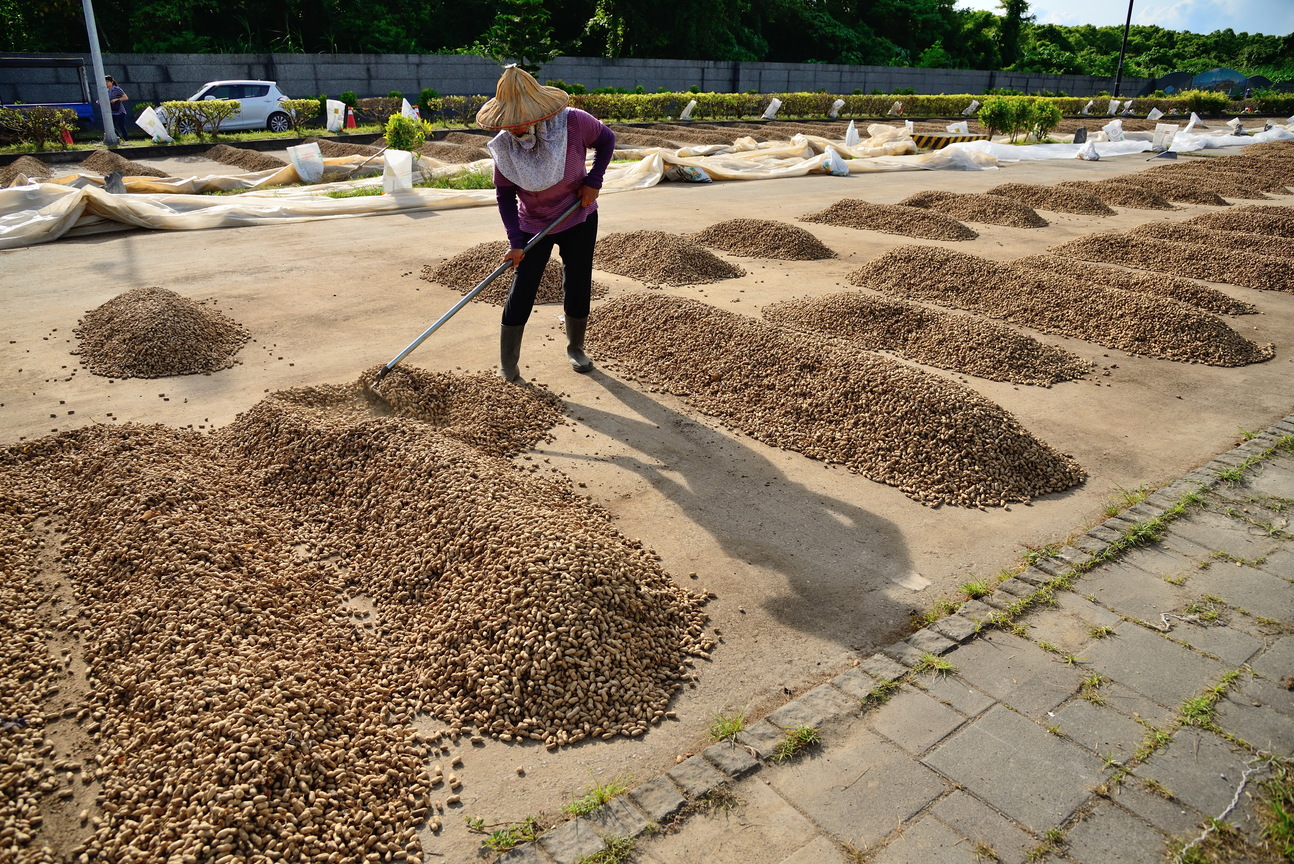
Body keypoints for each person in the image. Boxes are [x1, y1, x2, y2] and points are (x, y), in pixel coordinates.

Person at [476, 65, 616, 382]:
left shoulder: (573, 123)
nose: (516, 127)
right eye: (510, 122)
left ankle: (575, 348)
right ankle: (508, 363)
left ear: (539, 111)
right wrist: (514, 241)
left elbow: (607, 139)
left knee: (577, 282)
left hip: (577, 215)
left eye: (521, 119)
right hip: (532, 226)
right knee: (523, 288)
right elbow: (505, 196)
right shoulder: (505, 147)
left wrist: (594, 180)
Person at [105, 75, 129, 142]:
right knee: (111, 127)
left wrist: (117, 99)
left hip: (120, 111)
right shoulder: (107, 91)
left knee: (121, 126)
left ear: (112, 82)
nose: (106, 83)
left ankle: (126, 140)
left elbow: (126, 97)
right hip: (112, 111)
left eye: (107, 81)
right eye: (105, 82)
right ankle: (119, 138)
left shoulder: (117, 89)